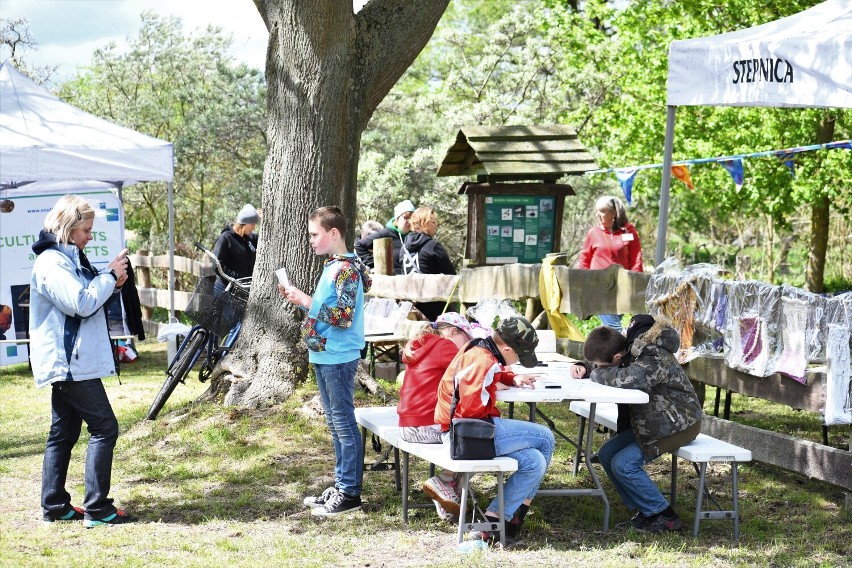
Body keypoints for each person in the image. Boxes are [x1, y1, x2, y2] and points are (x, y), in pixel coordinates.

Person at [29, 194, 135, 527]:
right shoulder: (52, 263)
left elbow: (88, 292)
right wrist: (109, 276)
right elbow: (81, 303)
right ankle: (98, 509)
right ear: (69, 227)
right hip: (70, 364)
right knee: (105, 427)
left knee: (64, 432)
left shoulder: (67, 257)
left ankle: (55, 505)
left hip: (70, 362)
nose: (91, 236)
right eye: (86, 230)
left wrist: (112, 282)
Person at [569, 315, 703, 532]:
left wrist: (595, 373)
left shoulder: (653, 355)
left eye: (599, 365)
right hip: (655, 421)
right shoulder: (633, 348)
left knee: (624, 464)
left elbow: (631, 378)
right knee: (607, 454)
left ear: (617, 356)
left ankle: (664, 516)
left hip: (680, 424)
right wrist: (583, 366)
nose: (597, 367)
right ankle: (645, 509)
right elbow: (614, 363)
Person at [278, 205, 371, 517]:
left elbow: (343, 318)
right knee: (335, 424)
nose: (311, 241)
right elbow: (326, 310)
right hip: (324, 354)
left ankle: (350, 495)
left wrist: (306, 300)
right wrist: (303, 300)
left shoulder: (346, 271)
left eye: (315, 235)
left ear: (334, 234)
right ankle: (342, 485)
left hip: (339, 357)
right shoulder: (333, 266)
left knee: (344, 424)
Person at [434, 316, 555, 542]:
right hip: (464, 435)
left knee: (535, 461)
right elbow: (471, 409)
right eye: (518, 356)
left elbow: (487, 375)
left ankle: (492, 521)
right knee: (546, 438)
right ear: (507, 348)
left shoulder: (478, 347)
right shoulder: (484, 361)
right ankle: (511, 520)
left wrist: (511, 377)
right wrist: (494, 409)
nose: (518, 360)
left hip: (459, 429)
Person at [397, 313, 473, 521]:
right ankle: (445, 481)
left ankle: (448, 497)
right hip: (425, 425)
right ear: (453, 331)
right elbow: (473, 371)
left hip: (409, 424)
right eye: (466, 340)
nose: (465, 347)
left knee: (469, 434)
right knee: (475, 439)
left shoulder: (425, 344)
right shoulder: (445, 346)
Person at [576, 195, 643, 333]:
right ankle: (621, 351)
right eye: (597, 211)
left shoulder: (629, 231)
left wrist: (635, 281)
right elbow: (584, 259)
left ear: (614, 213)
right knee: (614, 327)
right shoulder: (593, 233)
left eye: (602, 211)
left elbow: (636, 258)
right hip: (598, 288)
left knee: (610, 326)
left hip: (623, 287)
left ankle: (603, 351)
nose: (597, 215)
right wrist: (583, 283)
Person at [400, 206, 456, 321]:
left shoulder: (404, 248)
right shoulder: (432, 246)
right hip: (435, 305)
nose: (436, 225)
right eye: (433, 222)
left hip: (414, 306)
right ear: (423, 223)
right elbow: (451, 274)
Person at [356, 199, 415, 274]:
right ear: (397, 219)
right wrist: (373, 266)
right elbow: (359, 245)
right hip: (390, 282)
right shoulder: (385, 234)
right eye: (406, 217)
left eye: (412, 218)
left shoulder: (414, 236)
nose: (409, 221)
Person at [213, 203, 260, 284]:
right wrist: (237, 279)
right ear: (244, 223)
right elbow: (218, 266)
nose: (254, 228)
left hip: (242, 290)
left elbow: (263, 239)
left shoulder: (249, 239)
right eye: (252, 225)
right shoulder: (226, 238)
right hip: (225, 289)